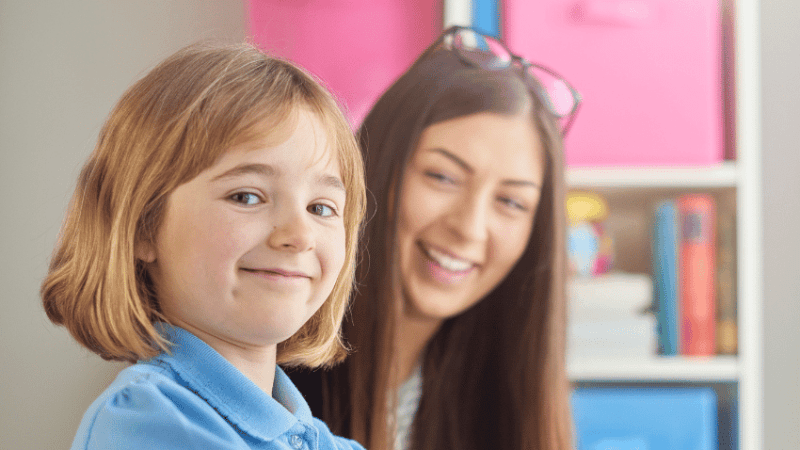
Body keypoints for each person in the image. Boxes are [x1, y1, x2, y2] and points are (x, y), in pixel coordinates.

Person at [40, 42, 366, 450]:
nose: (299, 235)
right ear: (144, 225)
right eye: (247, 197)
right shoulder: (145, 420)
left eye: (321, 207)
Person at [290, 26, 582, 450]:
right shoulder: (269, 371)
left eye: (511, 202)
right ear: (376, 168)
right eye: (442, 177)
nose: (469, 227)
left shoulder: (505, 405)